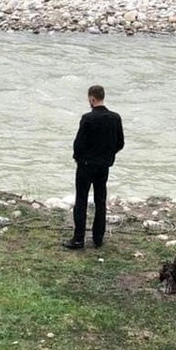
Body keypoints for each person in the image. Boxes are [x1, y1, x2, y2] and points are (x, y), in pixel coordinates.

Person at [63, 85, 125, 250]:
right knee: (100, 199)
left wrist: (78, 158)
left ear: (92, 99)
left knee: (81, 200)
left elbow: (79, 144)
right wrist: (108, 156)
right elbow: (120, 143)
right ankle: (98, 237)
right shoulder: (115, 118)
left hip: (86, 165)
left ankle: (78, 239)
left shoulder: (88, 119)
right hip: (104, 165)